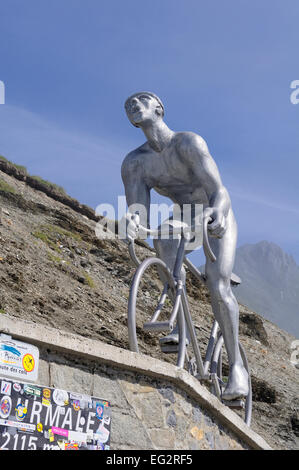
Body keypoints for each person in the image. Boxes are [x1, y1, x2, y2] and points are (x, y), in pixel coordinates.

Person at [121, 91, 248, 401]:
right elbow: (138, 211)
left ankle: (237, 370)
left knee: (218, 286)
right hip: (185, 218)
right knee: (162, 236)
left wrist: (217, 212)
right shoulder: (135, 163)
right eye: (128, 105)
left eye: (141, 100)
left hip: (216, 213)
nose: (133, 105)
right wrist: (131, 224)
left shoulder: (189, 143)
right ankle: (178, 326)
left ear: (159, 109)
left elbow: (220, 191)